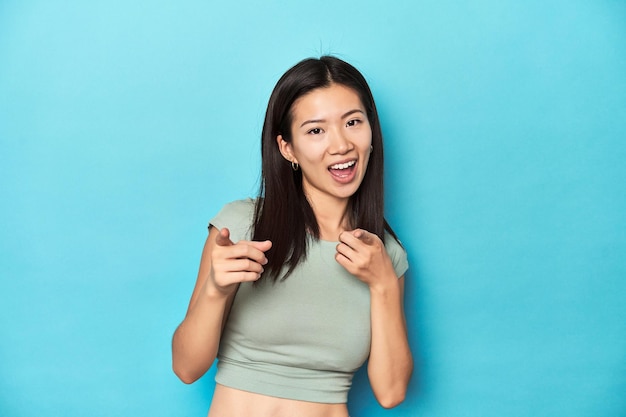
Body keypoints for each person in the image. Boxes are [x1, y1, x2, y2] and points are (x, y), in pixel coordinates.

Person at [172, 55, 413, 417]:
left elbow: (391, 392)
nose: (341, 145)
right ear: (287, 148)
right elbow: (186, 368)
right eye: (316, 130)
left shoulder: (382, 255)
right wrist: (216, 290)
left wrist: (383, 285)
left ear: (371, 133)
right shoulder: (241, 228)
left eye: (353, 122)